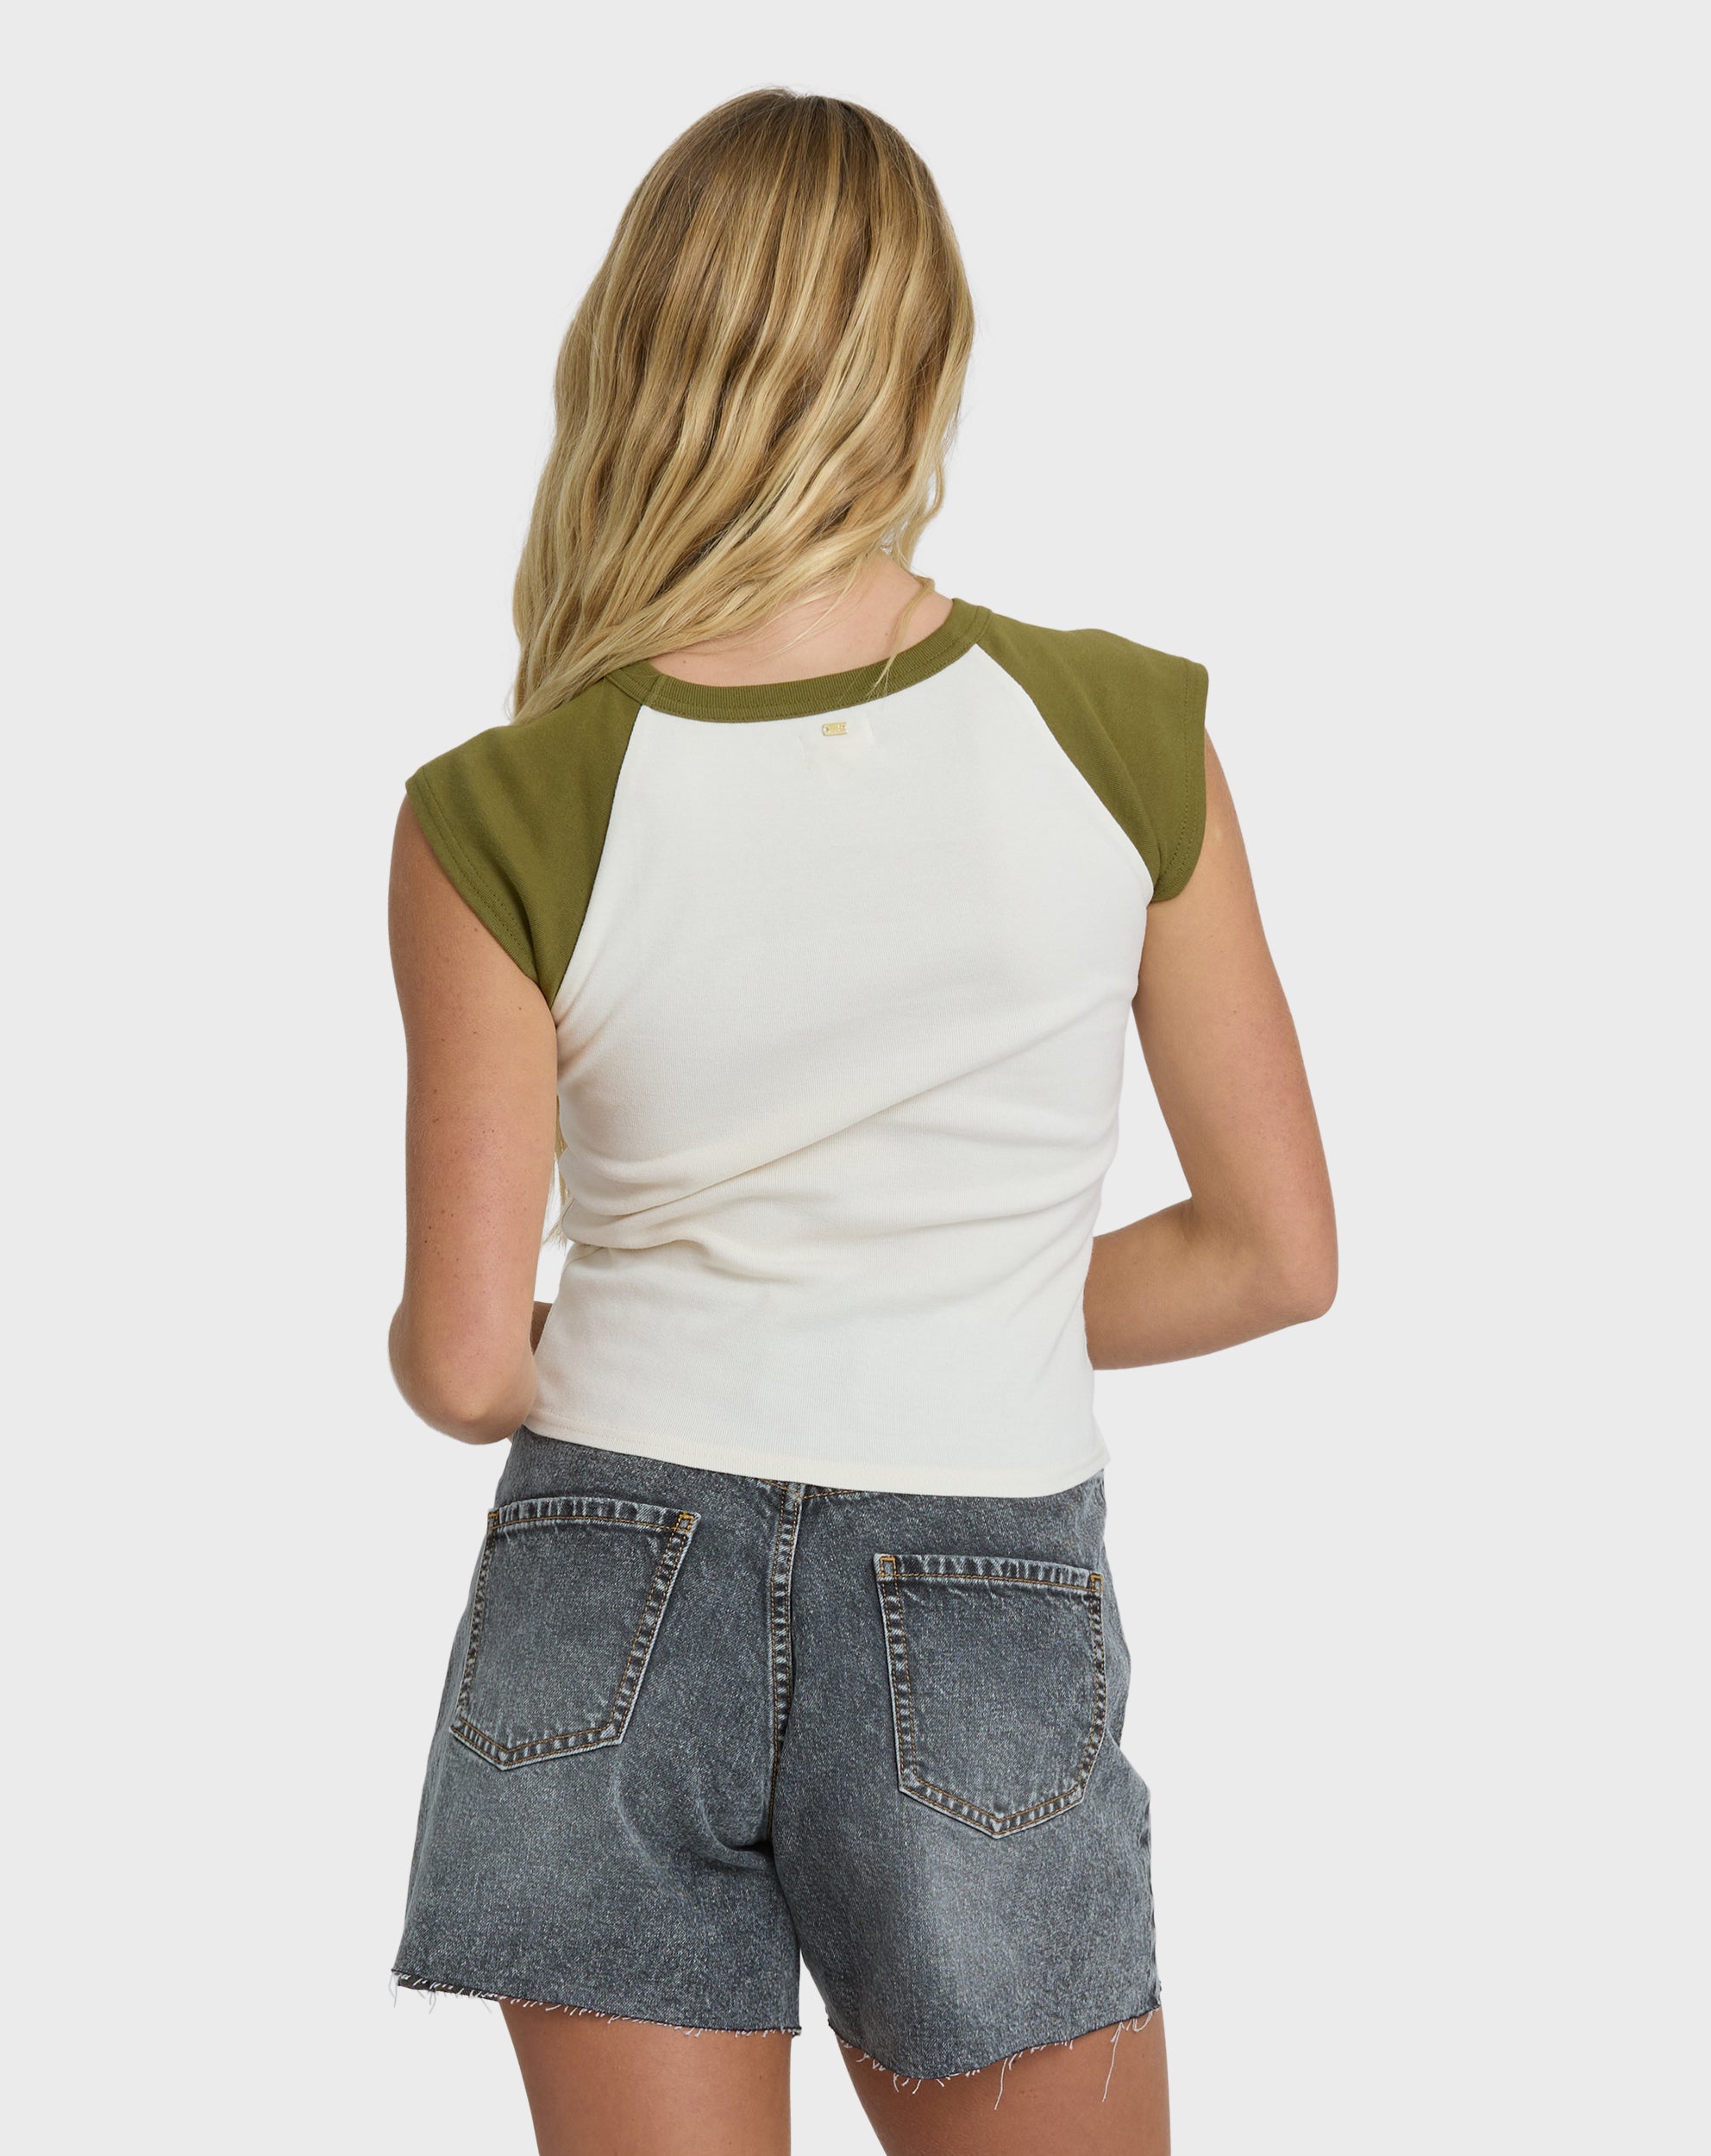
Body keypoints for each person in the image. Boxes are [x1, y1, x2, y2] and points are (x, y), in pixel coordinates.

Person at [386, 87, 1335, 2156]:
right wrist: (940, 1303)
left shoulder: (498, 804)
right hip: (973, 1574)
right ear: (925, 359)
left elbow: (462, 1361)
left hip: (602, 1567)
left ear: (631, 353)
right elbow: (1271, 1253)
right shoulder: (1119, 731)